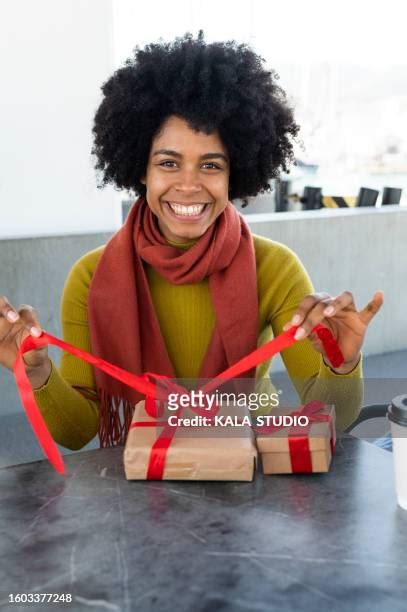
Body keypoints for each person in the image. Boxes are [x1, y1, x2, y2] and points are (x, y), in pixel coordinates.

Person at [0, 33, 383, 450]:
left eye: (210, 165)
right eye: (168, 163)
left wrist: (339, 365)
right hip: (142, 480)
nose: (188, 185)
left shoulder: (273, 266)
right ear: (141, 170)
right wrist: (36, 373)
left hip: (251, 471)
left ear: (233, 173)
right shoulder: (91, 276)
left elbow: (332, 418)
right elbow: (77, 433)